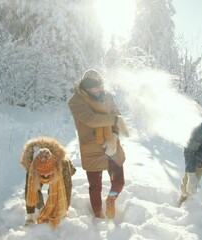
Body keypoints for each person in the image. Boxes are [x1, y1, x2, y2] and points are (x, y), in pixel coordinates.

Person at [68, 69, 129, 219]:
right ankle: (97, 214)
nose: (101, 89)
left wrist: (114, 136)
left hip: (111, 144)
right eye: (97, 87)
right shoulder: (76, 102)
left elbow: (117, 115)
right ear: (86, 89)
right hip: (91, 147)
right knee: (95, 187)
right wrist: (114, 120)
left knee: (119, 182)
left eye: (101, 85)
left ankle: (111, 200)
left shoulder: (107, 96)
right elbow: (92, 119)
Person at [20, 136, 76, 228]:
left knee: (55, 189)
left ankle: (53, 207)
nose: (46, 176)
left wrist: (64, 211)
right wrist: (30, 216)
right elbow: (30, 191)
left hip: (60, 171)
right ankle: (41, 208)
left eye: (48, 174)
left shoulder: (63, 164)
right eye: (43, 174)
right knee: (36, 188)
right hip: (39, 172)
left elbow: (67, 188)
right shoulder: (32, 167)